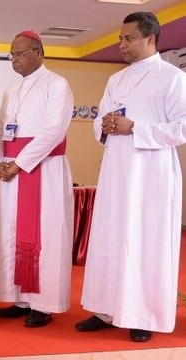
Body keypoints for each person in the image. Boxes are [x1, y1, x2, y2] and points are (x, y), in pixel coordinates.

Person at [76, 12, 186, 342]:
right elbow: (101, 120)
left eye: (129, 38)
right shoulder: (116, 79)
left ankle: (143, 315)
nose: (122, 44)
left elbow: (182, 127)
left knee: (143, 242)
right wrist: (105, 126)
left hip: (150, 175)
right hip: (116, 170)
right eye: (121, 39)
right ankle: (106, 309)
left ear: (150, 39)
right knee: (110, 239)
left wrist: (134, 126)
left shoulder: (171, 77)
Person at [0, 30, 74, 327]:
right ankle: (20, 298)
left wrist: (20, 163)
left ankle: (43, 303)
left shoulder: (57, 85)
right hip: (13, 170)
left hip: (44, 169)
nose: (15, 60)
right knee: (11, 234)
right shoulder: (10, 91)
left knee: (46, 235)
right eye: (12, 55)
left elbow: (54, 131)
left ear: (38, 52)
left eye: (21, 53)